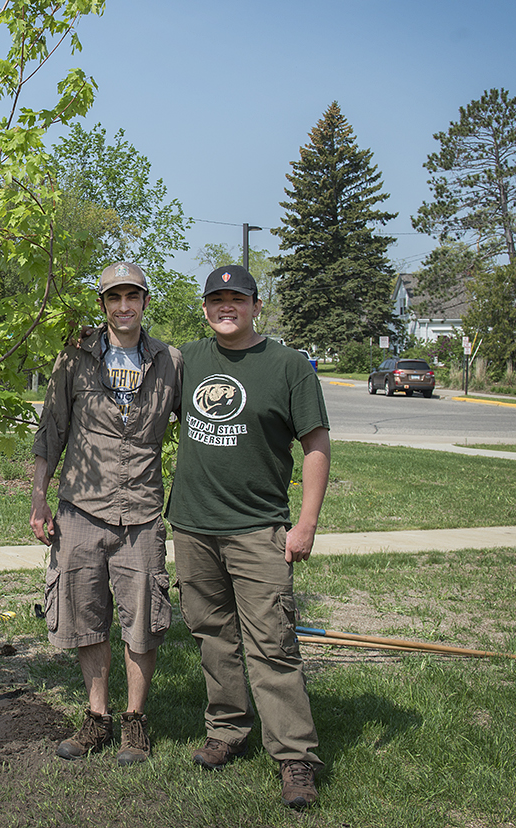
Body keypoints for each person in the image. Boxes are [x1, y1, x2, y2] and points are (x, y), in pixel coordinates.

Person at [165, 264, 330, 809]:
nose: (226, 306)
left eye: (237, 298)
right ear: (206, 307)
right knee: (212, 634)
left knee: (273, 644)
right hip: (192, 526)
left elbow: (316, 446)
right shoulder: (186, 361)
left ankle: (294, 757)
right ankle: (227, 731)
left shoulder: (288, 366)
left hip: (259, 529)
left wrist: (304, 523)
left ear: (257, 305)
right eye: (217, 299)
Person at [30, 261, 182, 765]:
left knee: (143, 619)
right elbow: (51, 430)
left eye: (132, 297)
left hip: (141, 511)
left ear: (144, 302)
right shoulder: (74, 358)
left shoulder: (170, 362)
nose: (123, 306)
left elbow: (206, 425)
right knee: (83, 614)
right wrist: (38, 497)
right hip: (81, 510)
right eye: (114, 298)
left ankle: (134, 723)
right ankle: (97, 717)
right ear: (103, 305)